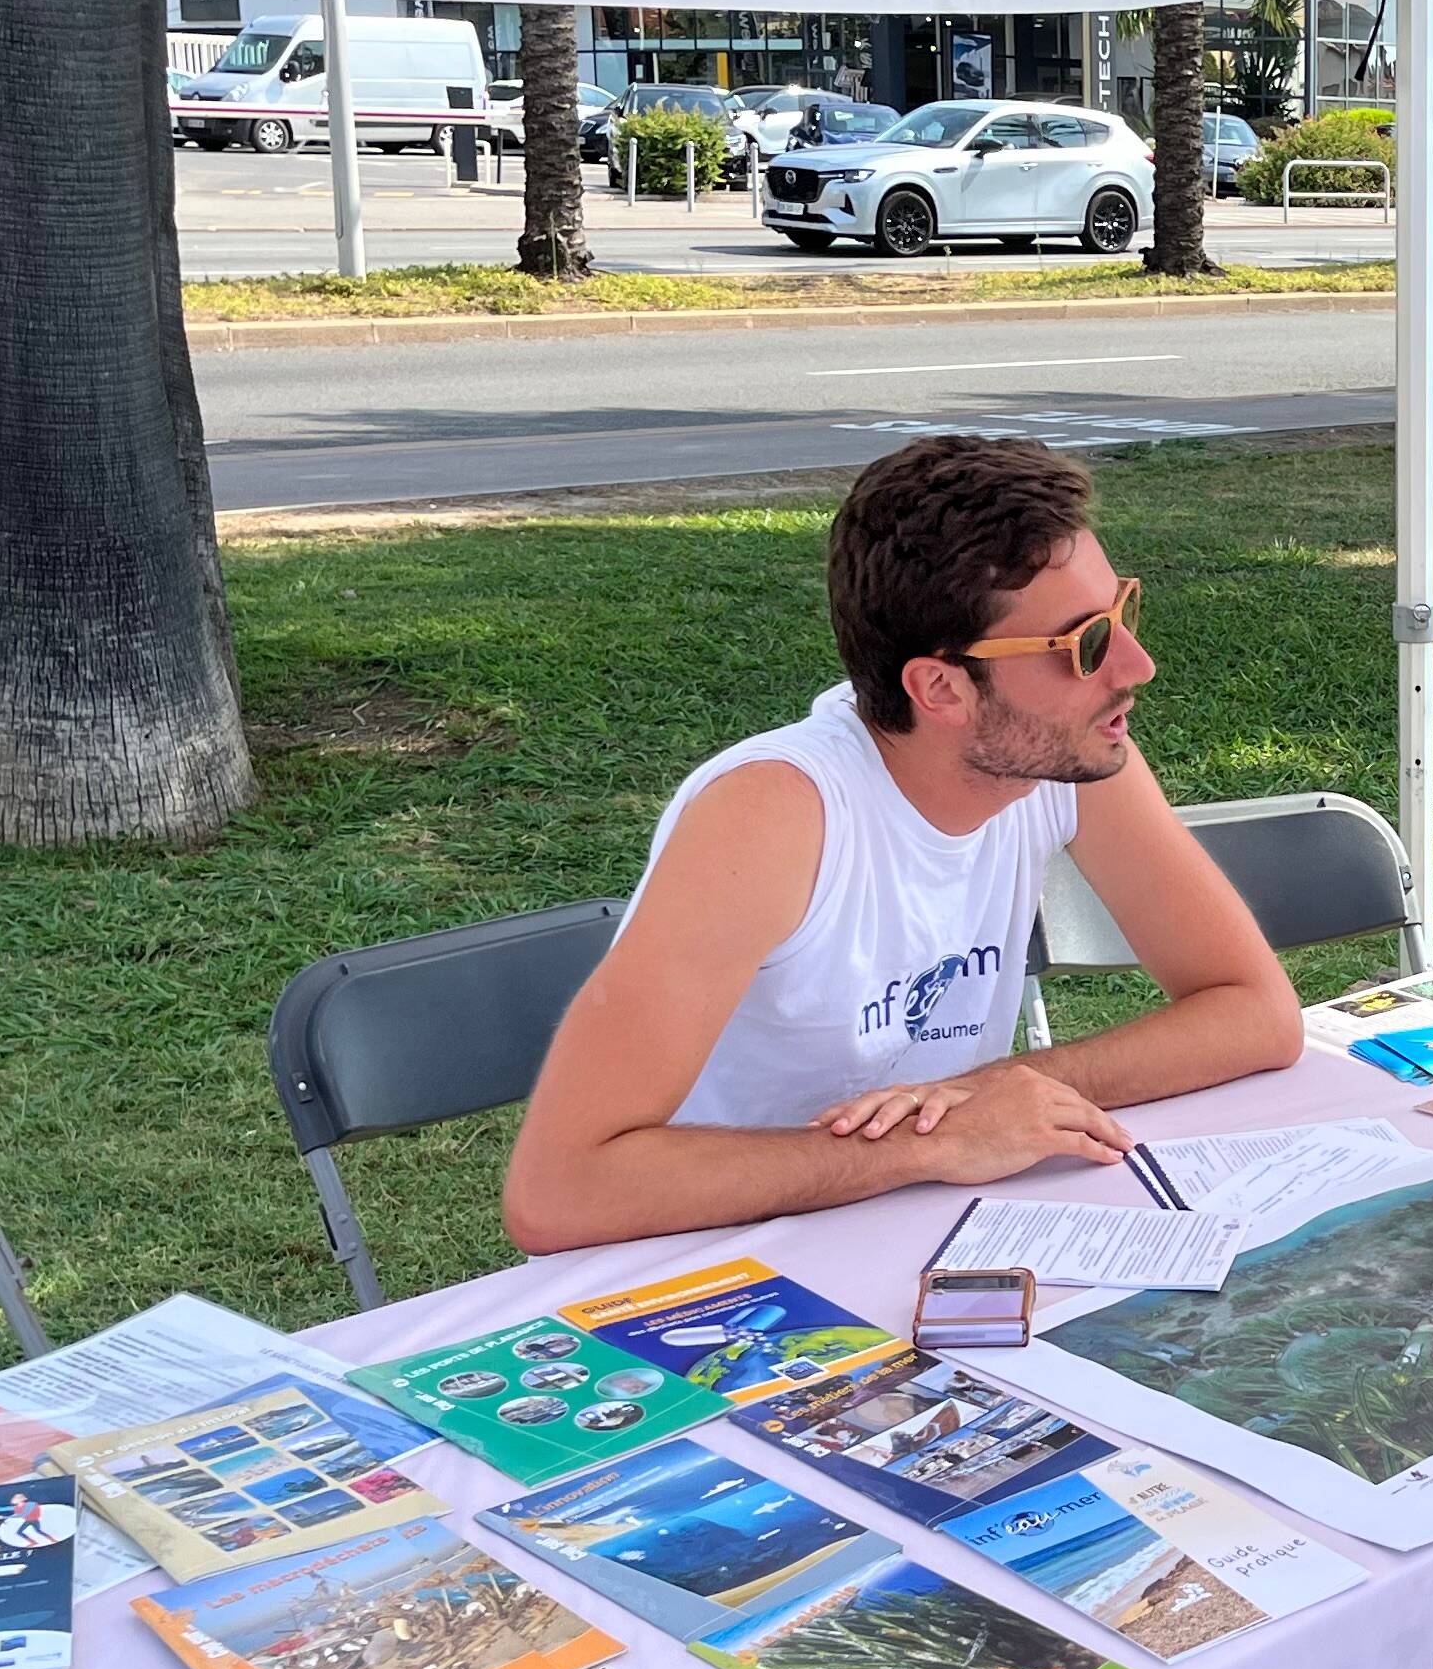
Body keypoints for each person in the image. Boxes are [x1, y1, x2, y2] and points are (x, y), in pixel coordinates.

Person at [505, 436, 1301, 1249]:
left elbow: (1257, 1013)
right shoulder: (772, 814)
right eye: (1083, 645)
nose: (1136, 666)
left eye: (1122, 611)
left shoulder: (1067, 757)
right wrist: (931, 1143)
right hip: (723, 1256)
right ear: (942, 688)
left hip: (921, 1227)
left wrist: (998, 1092)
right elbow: (560, 1191)